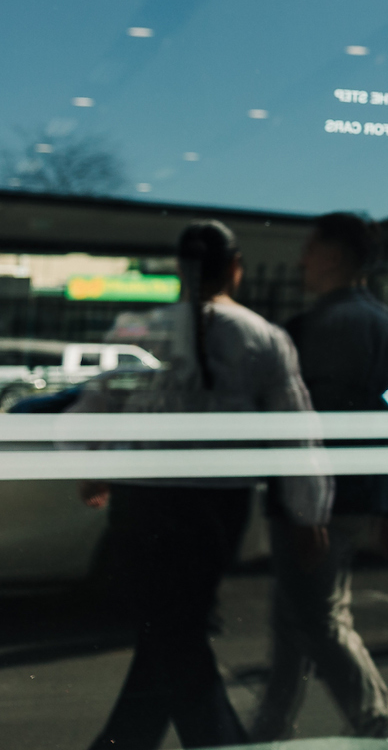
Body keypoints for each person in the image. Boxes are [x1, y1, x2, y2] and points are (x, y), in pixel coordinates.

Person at [80, 220, 331, 750]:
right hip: (216, 506)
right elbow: (297, 433)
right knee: (176, 631)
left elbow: (96, 405)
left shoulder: (140, 329)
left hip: (140, 499)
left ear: (179, 268)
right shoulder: (263, 337)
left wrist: (90, 465)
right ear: (234, 268)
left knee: (169, 631)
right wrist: (308, 514)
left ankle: (124, 742)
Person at [252, 212, 388, 740]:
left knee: (317, 619)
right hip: (362, 494)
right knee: (294, 618)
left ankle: (378, 726)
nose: (301, 261)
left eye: (311, 250)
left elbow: (298, 430)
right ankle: (270, 725)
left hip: (311, 505)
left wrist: (304, 509)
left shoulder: (308, 330)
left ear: (337, 256)